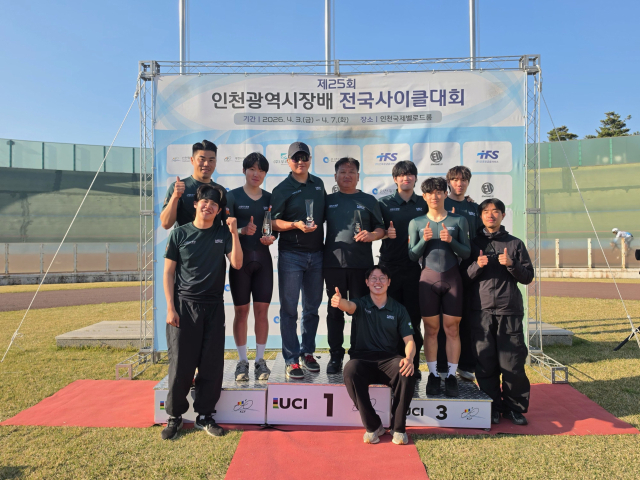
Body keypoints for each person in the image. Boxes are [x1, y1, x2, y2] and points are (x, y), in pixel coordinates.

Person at [161, 184, 242, 440]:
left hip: (214, 306)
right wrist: (170, 308)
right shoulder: (179, 234)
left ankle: (205, 415)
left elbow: (237, 263)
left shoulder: (222, 233)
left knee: (211, 364)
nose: (209, 207)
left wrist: (234, 233)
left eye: (214, 204)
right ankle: (174, 417)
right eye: (205, 202)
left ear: (218, 210)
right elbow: (168, 273)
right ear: (196, 204)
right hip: (184, 306)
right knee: (181, 365)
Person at [461, 198, 534, 425]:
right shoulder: (472, 244)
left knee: (512, 363)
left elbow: (528, 277)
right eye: (486, 211)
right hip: (481, 311)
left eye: (495, 211)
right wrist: (477, 265)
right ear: (480, 216)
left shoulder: (515, 243)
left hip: (509, 310)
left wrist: (512, 264)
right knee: (485, 362)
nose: (490, 215)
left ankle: (514, 408)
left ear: (503, 215)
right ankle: (490, 406)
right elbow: (462, 279)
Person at [332, 265, 416, 445]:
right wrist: (340, 302)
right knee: (350, 370)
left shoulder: (399, 309)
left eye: (382, 278)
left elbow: (409, 340)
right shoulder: (361, 303)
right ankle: (373, 426)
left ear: (389, 282)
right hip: (363, 359)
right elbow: (349, 306)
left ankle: (398, 428)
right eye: (373, 278)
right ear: (367, 282)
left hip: (389, 359)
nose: (378, 282)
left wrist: (409, 359)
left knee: (407, 371)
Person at [408, 177, 470, 397]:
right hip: (428, 279)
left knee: (452, 329)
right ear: (424, 196)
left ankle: (451, 376)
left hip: (452, 279)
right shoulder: (416, 222)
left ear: (445, 193)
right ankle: (433, 375)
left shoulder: (459, 220)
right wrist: (423, 240)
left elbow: (467, 253)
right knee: (431, 330)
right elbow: (412, 255)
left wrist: (451, 241)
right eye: (430, 193)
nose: (434, 196)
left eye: (439, 192)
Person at [324, 157, 385, 374]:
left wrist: (372, 235)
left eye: (351, 172)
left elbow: (381, 228)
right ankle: (335, 355)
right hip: (333, 264)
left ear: (358, 176)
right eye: (342, 172)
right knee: (335, 311)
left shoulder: (369, 200)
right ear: (335, 176)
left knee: (360, 311)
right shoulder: (327, 200)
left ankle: (358, 355)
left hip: (361, 265)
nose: (347, 176)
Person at [271, 142, 326, 379]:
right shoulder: (281, 189)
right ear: (288, 161)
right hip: (291, 255)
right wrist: (295, 225)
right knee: (289, 310)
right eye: (296, 158)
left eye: (304, 157)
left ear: (310, 159)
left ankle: (308, 352)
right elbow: (273, 222)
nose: (300, 162)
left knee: (312, 309)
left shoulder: (319, 184)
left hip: (318, 254)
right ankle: (291, 359)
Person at [226, 153, 277, 381]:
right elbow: (223, 229)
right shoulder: (232, 196)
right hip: (240, 261)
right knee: (241, 312)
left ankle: (260, 360)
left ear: (265, 173)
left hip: (263, 261)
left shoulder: (270, 198)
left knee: (262, 312)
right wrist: (241, 231)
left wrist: (271, 237)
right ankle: (242, 361)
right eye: (252, 169)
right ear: (244, 171)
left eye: (261, 170)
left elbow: (273, 227)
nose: (256, 174)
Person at [378, 160, 427, 378]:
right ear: (395, 179)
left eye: (410, 174)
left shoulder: (424, 203)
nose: (406, 178)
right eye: (401, 175)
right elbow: (374, 229)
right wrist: (383, 233)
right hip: (389, 269)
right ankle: (392, 366)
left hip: (415, 268)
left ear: (415, 178)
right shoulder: (383, 203)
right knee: (389, 319)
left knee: (413, 319)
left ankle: (412, 365)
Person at [442, 166, 480, 382]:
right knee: (443, 318)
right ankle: (440, 365)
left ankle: (465, 365)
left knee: (465, 318)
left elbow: (478, 237)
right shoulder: (440, 203)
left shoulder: (474, 207)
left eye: (464, 180)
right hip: (444, 267)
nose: (460, 183)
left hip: (468, 268)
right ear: (449, 182)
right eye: (455, 179)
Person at [160, 140, 226, 229]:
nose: (206, 164)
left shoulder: (221, 191)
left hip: (213, 238)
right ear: (192, 160)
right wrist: (175, 196)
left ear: (215, 162)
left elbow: (228, 226)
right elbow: (166, 224)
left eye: (211, 160)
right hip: (184, 238)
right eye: (202, 159)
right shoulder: (178, 187)